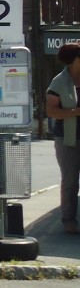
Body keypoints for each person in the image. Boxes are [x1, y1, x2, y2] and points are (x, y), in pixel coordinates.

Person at [45, 41, 80, 235]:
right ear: (74, 60)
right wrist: (75, 111)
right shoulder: (59, 82)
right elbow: (51, 111)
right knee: (70, 182)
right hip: (68, 140)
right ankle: (69, 221)